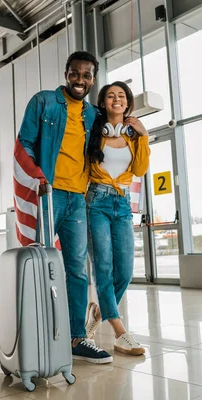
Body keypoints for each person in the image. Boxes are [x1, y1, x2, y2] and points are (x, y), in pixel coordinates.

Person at [17, 51, 113, 364]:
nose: (80, 80)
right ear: (66, 73)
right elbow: (25, 144)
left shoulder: (91, 115)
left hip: (77, 199)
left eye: (86, 75)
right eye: (75, 73)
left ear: (93, 79)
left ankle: (76, 337)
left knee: (76, 270)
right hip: (49, 193)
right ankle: (41, 333)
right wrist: (37, 176)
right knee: (42, 265)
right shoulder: (44, 102)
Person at [84, 81, 150, 356]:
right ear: (103, 102)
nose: (116, 99)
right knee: (104, 268)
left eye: (121, 95)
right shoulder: (93, 132)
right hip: (96, 201)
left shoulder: (133, 136)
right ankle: (120, 332)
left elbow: (140, 168)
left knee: (124, 270)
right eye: (111, 95)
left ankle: (98, 312)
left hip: (122, 203)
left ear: (128, 103)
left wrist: (144, 135)